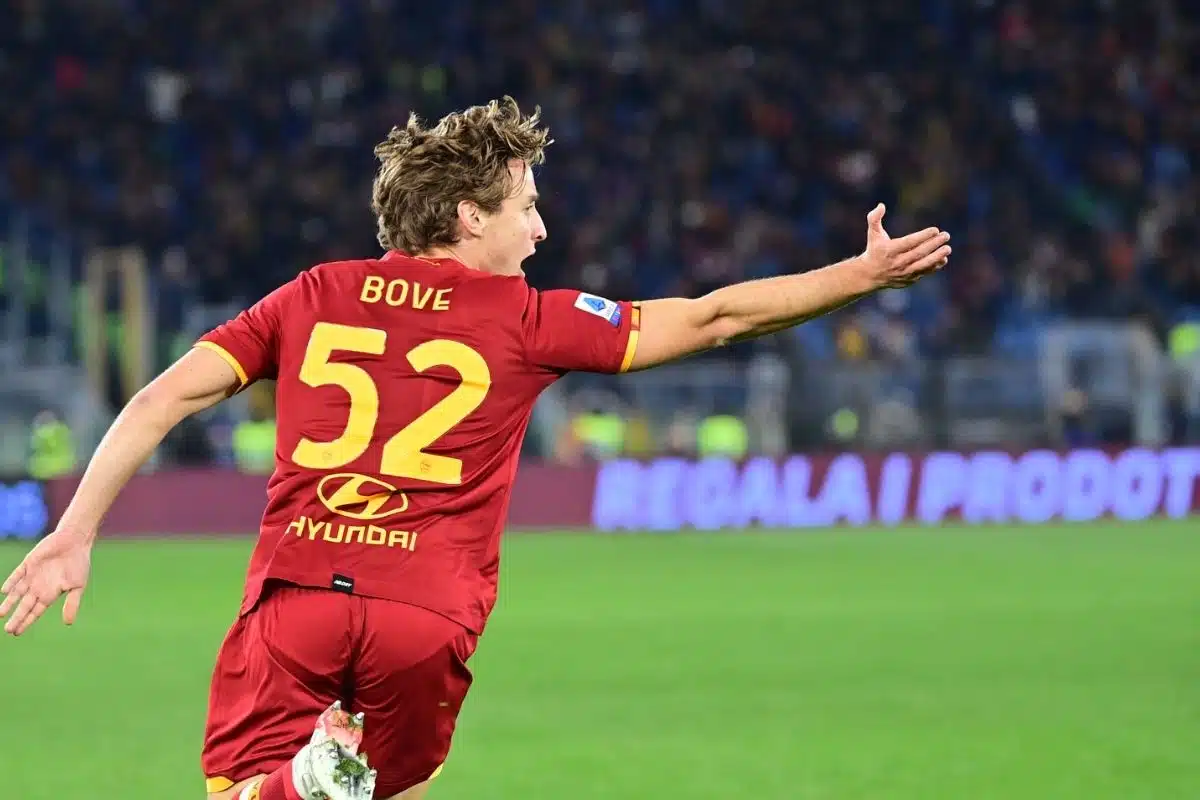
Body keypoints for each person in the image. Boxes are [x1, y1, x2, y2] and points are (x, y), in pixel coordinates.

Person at [0, 97, 951, 800]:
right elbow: (713, 318)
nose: (540, 228)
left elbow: (161, 398)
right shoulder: (529, 320)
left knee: (248, 794)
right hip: (426, 617)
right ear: (468, 216)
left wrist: (75, 531)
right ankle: (313, 784)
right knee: (393, 787)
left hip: (299, 598)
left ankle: (295, 787)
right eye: (526, 206)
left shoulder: (313, 293)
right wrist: (857, 277)